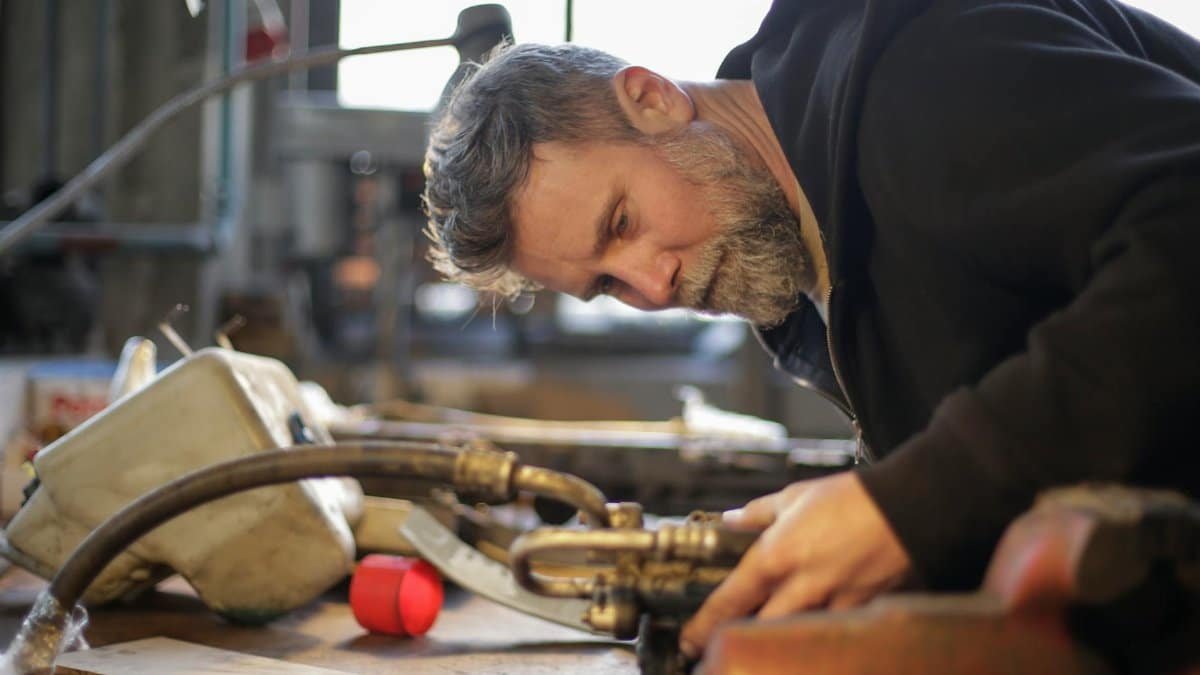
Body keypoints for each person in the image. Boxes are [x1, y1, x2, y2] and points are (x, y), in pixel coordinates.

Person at [421, 0, 1200, 661]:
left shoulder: (923, 77)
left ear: (652, 98)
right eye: (605, 285)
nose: (653, 284)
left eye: (622, 222)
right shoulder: (805, 267)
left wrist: (912, 500)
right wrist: (860, 507)